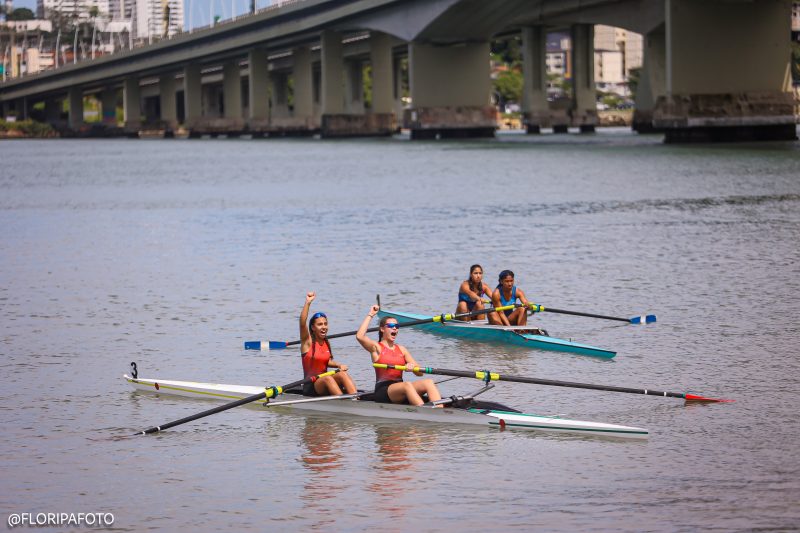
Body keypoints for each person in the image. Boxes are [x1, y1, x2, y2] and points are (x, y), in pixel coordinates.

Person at [356, 305, 442, 406]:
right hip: (383, 391)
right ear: (382, 329)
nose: (395, 329)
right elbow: (360, 336)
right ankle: (424, 411)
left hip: (400, 388)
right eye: (391, 326)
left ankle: (439, 411)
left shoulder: (402, 349)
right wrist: (370, 315)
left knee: (429, 382)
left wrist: (413, 368)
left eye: (397, 326)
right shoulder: (376, 347)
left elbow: (420, 373)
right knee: (407, 385)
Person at [299, 292, 357, 397]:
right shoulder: (307, 342)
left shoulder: (326, 342)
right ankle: (345, 404)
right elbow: (302, 323)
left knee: (342, 374)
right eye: (320, 324)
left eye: (325, 324)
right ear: (313, 328)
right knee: (328, 378)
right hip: (311, 385)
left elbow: (325, 361)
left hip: (324, 382)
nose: (324, 327)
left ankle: (355, 398)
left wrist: (338, 365)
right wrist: (308, 303)